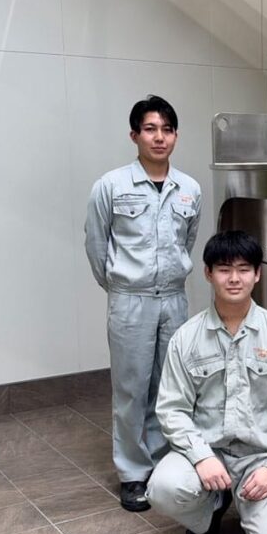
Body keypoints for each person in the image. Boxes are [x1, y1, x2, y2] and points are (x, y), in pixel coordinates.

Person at [146, 231, 267, 534]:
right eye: (224, 269)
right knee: (163, 488)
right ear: (208, 273)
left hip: (260, 458)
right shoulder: (186, 338)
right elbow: (172, 409)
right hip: (207, 453)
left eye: (243, 269)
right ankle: (210, 508)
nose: (234, 278)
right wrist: (201, 457)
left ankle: (262, 504)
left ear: (257, 273)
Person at [84, 94, 202, 511]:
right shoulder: (111, 186)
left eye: (167, 129)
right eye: (150, 129)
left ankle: (163, 464)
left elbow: (187, 242)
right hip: (130, 301)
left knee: (169, 386)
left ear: (176, 136)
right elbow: (96, 246)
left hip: (173, 299)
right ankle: (133, 473)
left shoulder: (189, 189)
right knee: (131, 390)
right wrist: (121, 286)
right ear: (134, 135)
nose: (159, 137)